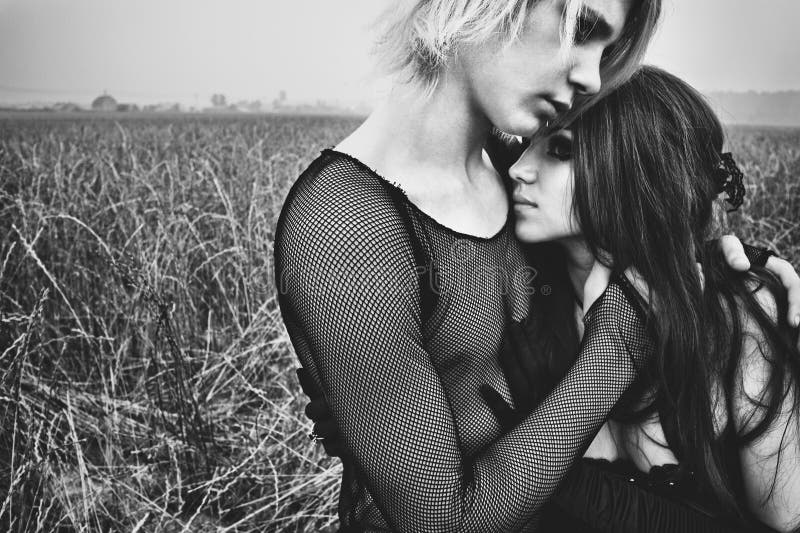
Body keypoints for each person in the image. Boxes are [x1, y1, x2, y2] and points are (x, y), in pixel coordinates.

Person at [274, 1, 800, 531]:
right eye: (583, 29)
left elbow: (624, 206)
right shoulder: (344, 223)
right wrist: (621, 336)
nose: (592, 77)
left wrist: (725, 267)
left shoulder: (506, 171)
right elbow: (438, 523)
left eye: (607, 50)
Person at [481, 65, 800, 532]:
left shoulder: (733, 320)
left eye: (561, 149)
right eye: (531, 143)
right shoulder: (522, 301)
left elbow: (788, 521)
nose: (520, 169)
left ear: (634, 170)